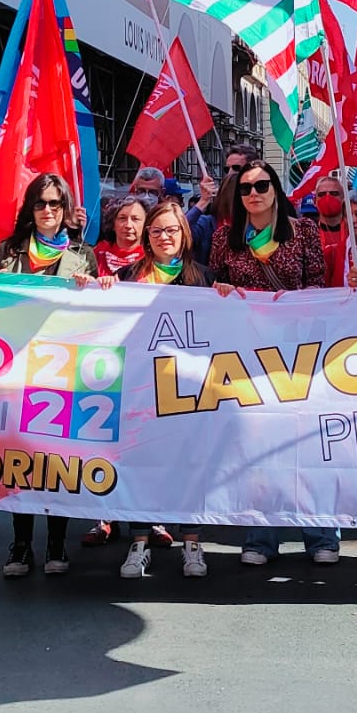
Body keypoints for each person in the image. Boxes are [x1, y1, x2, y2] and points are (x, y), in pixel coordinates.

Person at [211, 158, 339, 566]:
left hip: (297, 351)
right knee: (257, 444)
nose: (253, 194)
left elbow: (317, 283)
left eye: (261, 186)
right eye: (245, 188)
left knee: (305, 441)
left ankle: (321, 536)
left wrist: (295, 304)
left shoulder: (301, 231)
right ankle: (260, 537)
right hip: (247, 353)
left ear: (276, 189)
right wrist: (223, 291)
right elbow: (213, 286)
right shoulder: (226, 236)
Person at [0, 174, 94, 576]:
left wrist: (93, 287)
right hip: (15, 371)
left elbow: (101, 311)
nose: (48, 211)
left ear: (65, 209)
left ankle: (57, 542)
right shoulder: (8, 253)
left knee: (57, 461)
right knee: (18, 460)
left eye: (56, 204)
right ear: (30, 207)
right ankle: (21, 544)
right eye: (41, 203)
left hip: (62, 372)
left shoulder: (84, 254)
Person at [112, 200, 213, 580]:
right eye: (157, 231)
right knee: (139, 465)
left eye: (171, 230)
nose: (164, 237)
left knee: (189, 466)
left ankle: (191, 541)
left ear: (184, 235)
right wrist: (97, 290)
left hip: (188, 393)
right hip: (139, 392)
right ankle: (138, 542)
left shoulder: (203, 279)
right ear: (147, 237)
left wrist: (227, 296)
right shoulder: (127, 277)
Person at [311, 173, 351, 287]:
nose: (327, 198)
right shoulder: (306, 233)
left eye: (334, 194)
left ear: (344, 198)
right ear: (315, 201)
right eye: (322, 194)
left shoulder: (356, 232)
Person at [96, 195, 149, 277]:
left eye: (135, 219)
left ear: (146, 224)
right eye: (122, 218)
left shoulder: (151, 257)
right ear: (112, 223)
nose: (128, 225)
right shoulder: (98, 253)